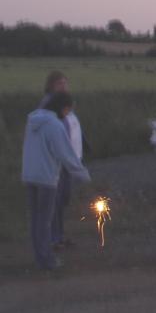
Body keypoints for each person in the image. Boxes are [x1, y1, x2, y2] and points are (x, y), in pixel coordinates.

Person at [21, 92, 91, 271]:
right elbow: (65, 153)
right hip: (46, 178)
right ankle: (47, 261)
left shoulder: (33, 121)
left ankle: (40, 257)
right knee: (44, 220)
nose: (68, 113)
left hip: (30, 175)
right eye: (68, 109)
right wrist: (83, 174)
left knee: (36, 219)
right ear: (62, 107)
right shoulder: (55, 125)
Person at [40, 71, 84, 250]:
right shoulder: (48, 105)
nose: (64, 87)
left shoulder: (65, 103)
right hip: (56, 164)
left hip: (69, 161)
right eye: (60, 84)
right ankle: (52, 238)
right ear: (51, 86)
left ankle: (59, 236)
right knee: (55, 202)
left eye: (66, 83)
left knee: (63, 200)